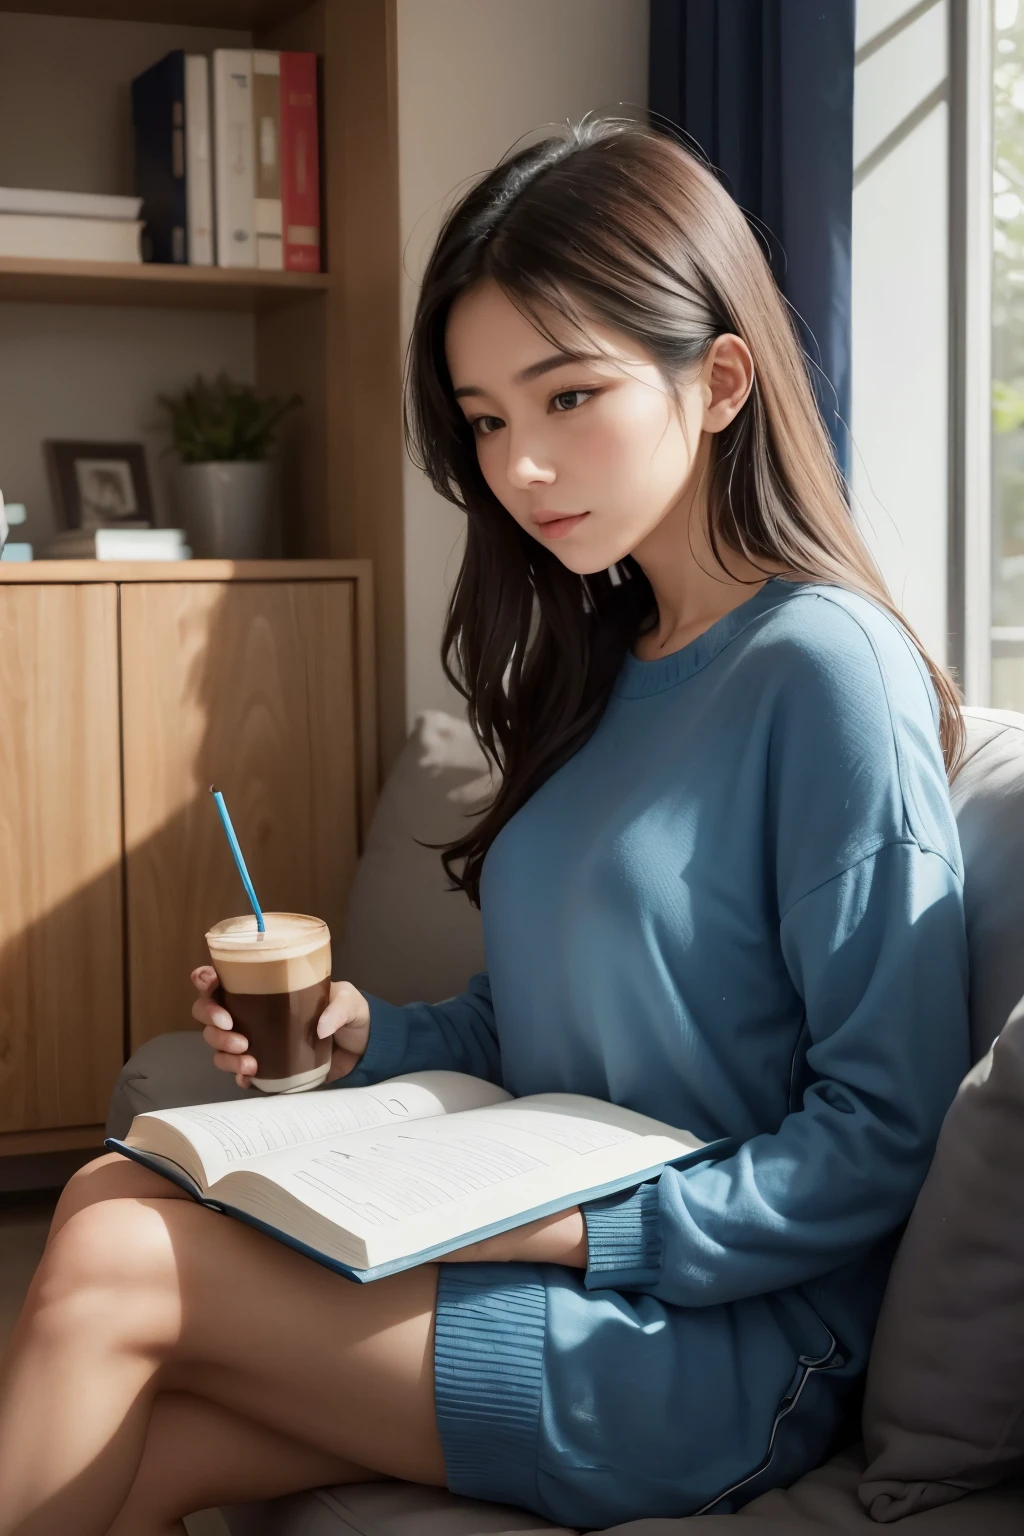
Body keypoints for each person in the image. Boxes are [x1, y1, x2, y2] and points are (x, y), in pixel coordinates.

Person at [0, 118, 970, 1536]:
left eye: (568, 395)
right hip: (552, 1256)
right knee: (136, 1383)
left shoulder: (825, 670)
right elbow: (550, 1020)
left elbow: (886, 1128)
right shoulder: (603, 665)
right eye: (487, 418)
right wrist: (367, 1036)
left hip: (715, 1333)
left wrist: (565, 1229)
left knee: (114, 1256)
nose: (520, 465)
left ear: (718, 381)